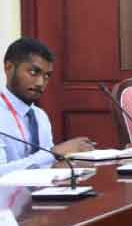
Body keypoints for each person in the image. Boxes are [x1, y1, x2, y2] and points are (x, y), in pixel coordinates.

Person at [0, 38, 95, 175]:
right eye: (33, 72)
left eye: (47, 76)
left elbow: (46, 164)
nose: (40, 82)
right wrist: (54, 152)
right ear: (9, 67)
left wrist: (77, 163)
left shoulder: (40, 116)